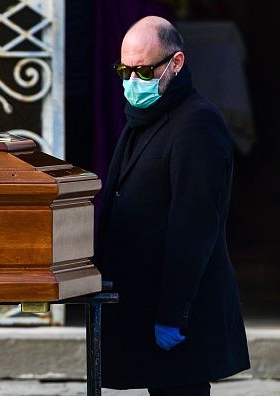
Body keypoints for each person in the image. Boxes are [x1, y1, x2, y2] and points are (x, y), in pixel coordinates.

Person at [94, 16, 250, 395]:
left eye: (144, 71)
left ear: (175, 64)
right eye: (124, 70)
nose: (132, 82)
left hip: (179, 311)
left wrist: (172, 314)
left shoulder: (198, 123)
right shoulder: (144, 117)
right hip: (142, 301)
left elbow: (194, 227)